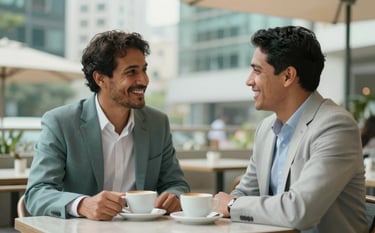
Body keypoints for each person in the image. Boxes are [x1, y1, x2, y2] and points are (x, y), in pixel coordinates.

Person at [214, 26, 367, 233]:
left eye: (257, 70)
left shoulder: (336, 126)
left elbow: (300, 210)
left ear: (288, 76)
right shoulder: (266, 129)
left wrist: (232, 206)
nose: (249, 81)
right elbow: (246, 191)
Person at [25, 30, 190, 220]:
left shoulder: (157, 123)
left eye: (144, 70)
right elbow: (37, 193)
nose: (143, 80)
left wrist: (174, 197)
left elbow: (177, 184)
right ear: (100, 78)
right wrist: (83, 205)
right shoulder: (61, 123)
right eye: (131, 72)